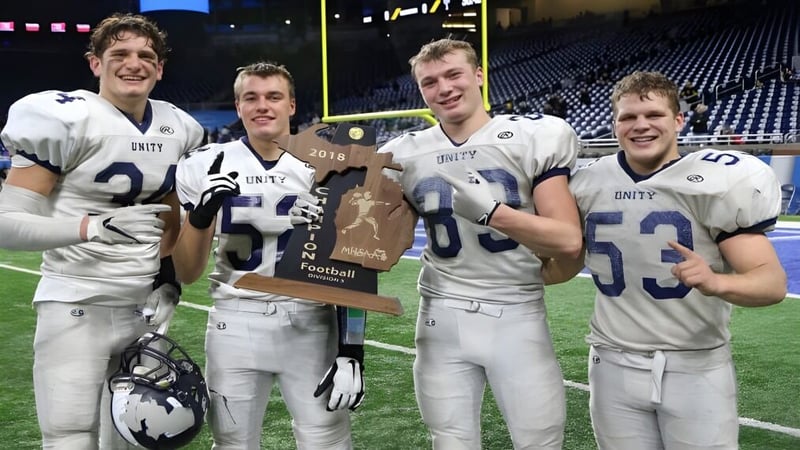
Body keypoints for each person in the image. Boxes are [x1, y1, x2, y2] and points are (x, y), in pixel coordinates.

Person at [542, 71, 787, 449]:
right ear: (615, 124)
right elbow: (566, 261)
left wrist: (717, 282)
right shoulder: (588, 182)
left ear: (678, 121)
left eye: (653, 115)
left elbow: (771, 283)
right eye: (628, 117)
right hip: (612, 362)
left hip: (695, 365)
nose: (640, 126)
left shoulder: (714, 180)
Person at [0, 13, 205, 449]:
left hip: (142, 308)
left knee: (133, 439)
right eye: (120, 54)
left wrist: (167, 278)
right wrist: (91, 227)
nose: (134, 63)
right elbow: (5, 225)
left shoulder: (179, 127)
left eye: (146, 55)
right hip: (76, 302)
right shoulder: (65, 117)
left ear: (160, 68)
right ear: (96, 63)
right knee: (70, 436)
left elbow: (169, 212)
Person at [377, 38, 583, 449]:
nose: (444, 88)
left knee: (539, 440)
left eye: (453, 74)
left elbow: (568, 240)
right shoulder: (402, 154)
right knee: (450, 440)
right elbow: (374, 245)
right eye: (430, 82)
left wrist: (495, 214)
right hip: (440, 314)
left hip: (516, 311)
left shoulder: (530, 136)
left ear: (478, 75)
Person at [173, 61, 364, 449]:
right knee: (232, 442)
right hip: (233, 322)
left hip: (311, 323)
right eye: (251, 98)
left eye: (274, 97)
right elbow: (186, 270)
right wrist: (201, 214)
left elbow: (353, 265)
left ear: (292, 105)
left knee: (326, 440)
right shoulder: (204, 164)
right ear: (238, 106)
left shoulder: (331, 164)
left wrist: (352, 349)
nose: (263, 106)